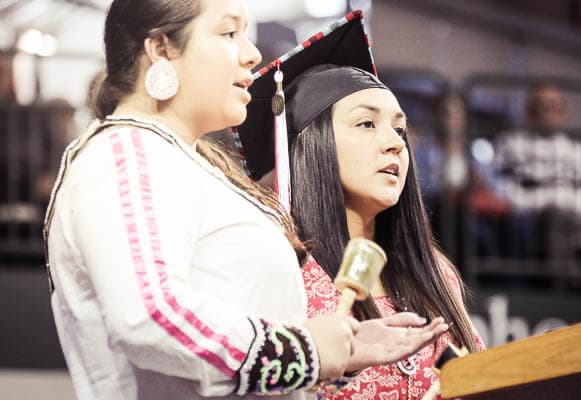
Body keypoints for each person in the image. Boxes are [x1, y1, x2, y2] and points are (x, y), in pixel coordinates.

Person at [43, 1, 448, 399]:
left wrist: (342, 352)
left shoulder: (180, 161)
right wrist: (303, 351)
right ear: (162, 48)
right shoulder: (126, 154)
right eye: (229, 32)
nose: (251, 53)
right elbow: (149, 315)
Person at [236, 12, 484, 399]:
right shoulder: (284, 269)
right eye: (367, 124)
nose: (395, 143)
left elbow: (477, 380)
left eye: (399, 129)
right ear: (313, 146)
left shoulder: (435, 273)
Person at [494, 83, 581, 276]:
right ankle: (561, 289)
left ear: (564, 113)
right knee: (555, 217)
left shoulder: (575, 149)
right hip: (528, 209)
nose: (549, 112)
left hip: (573, 211)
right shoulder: (512, 143)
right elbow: (500, 185)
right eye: (543, 106)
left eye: (555, 106)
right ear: (530, 111)